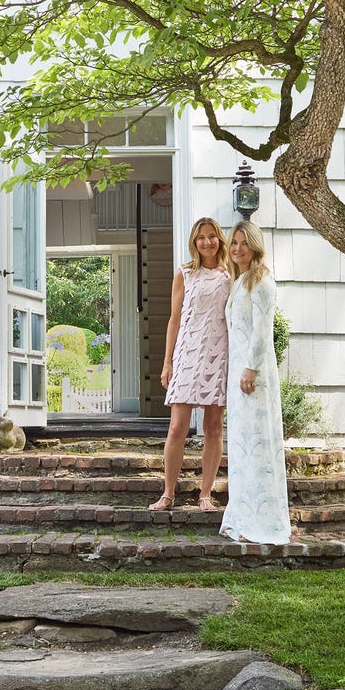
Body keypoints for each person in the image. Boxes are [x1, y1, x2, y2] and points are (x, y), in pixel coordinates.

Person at [148, 217, 231, 513]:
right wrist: (167, 361)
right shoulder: (185, 273)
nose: (207, 242)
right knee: (177, 429)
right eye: (201, 237)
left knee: (213, 428)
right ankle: (168, 494)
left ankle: (205, 494)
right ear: (194, 242)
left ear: (220, 239)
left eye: (212, 236)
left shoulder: (230, 273)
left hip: (220, 354)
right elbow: (174, 319)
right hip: (187, 354)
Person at [219, 221, 292, 545]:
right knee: (241, 448)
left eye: (243, 243)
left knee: (258, 447)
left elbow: (262, 330)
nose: (237, 249)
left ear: (255, 246)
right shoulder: (240, 281)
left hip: (254, 377)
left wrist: (251, 368)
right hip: (238, 375)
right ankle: (244, 516)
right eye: (233, 243)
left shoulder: (262, 280)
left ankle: (263, 518)